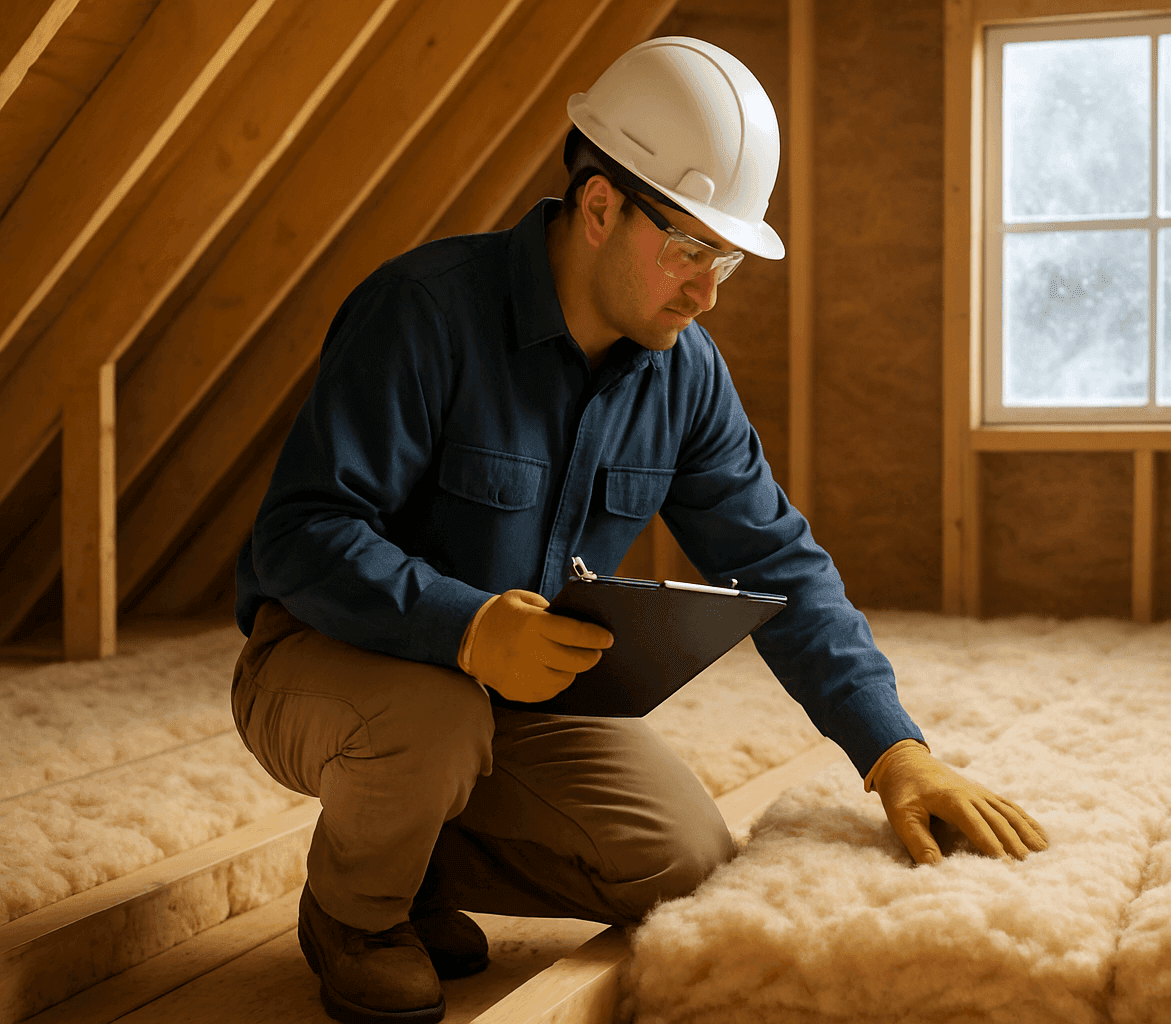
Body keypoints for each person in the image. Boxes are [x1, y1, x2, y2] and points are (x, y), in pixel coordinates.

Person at [230, 35, 1048, 1024]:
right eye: (690, 248)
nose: (707, 290)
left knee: (682, 862)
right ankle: (355, 918)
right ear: (601, 205)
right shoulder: (424, 312)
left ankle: (414, 862)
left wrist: (895, 751)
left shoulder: (682, 371)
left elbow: (776, 559)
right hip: (325, 660)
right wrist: (470, 623)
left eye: (727, 259)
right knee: (431, 721)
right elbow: (298, 537)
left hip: (512, 704)